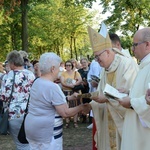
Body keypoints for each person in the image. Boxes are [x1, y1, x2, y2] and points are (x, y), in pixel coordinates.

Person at [87, 22, 138, 150]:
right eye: (95, 58)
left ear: (108, 52)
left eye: (98, 57)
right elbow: (101, 92)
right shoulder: (105, 68)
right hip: (107, 122)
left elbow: (131, 97)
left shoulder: (127, 64)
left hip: (123, 124)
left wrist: (107, 99)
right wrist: (92, 102)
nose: (97, 61)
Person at [24, 52, 89, 150]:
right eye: (58, 68)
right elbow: (65, 112)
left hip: (32, 128)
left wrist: (68, 98)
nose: (60, 70)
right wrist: (82, 107)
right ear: (52, 69)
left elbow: (46, 101)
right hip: (47, 132)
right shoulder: (52, 87)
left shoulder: (37, 81)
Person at [118, 27, 150, 150]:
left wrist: (131, 103)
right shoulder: (144, 66)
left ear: (147, 45)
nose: (132, 49)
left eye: (135, 45)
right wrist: (129, 92)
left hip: (143, 135)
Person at [0, 50, 35, 150]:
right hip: (30, 113)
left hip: (14, 114)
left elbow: (3, 96)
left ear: (11, 63)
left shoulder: (8, 76)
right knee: (30, 143)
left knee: (21, 145)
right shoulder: (30, 74)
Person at [60, 60, 82, 128]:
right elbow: (62, 82)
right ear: (65, 66)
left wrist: (74, 84)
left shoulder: (76, 72)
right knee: (67, 107)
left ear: (72, 66)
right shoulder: (63, 73)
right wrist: (70, 86)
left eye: (69, 65)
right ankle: (67, 122)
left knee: (75, 106)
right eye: (67, 65)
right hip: (66, 91)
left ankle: (75, 122)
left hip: (74, 91)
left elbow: (80, 80)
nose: (68, 66)